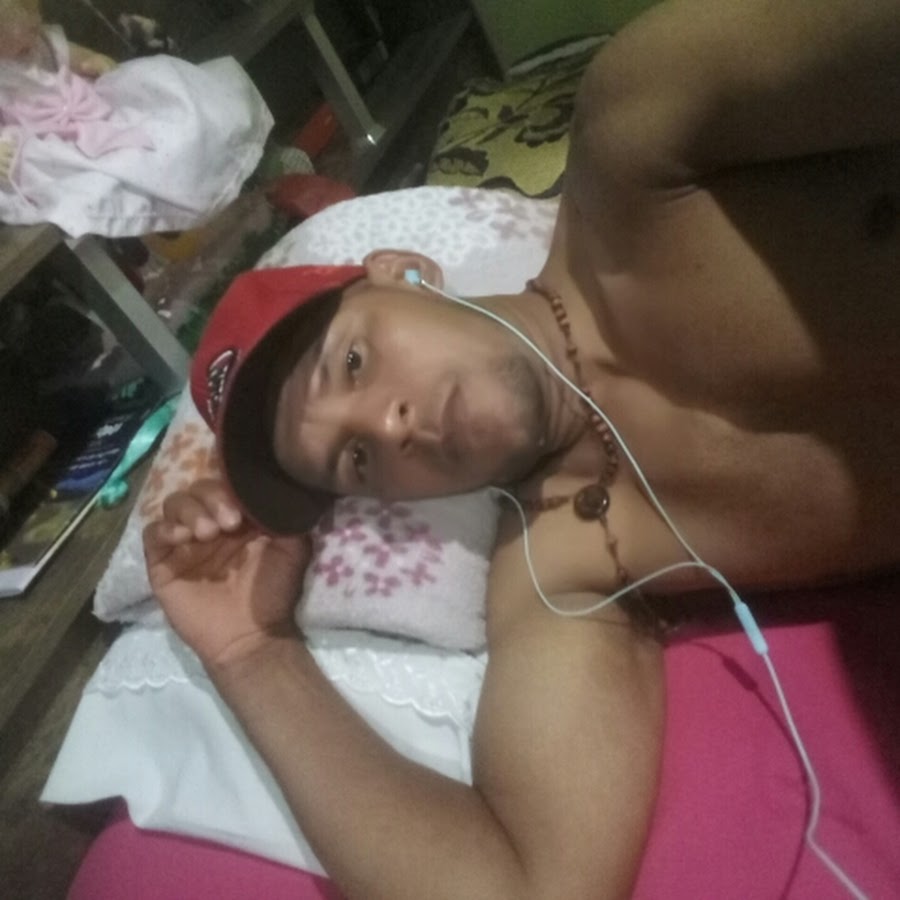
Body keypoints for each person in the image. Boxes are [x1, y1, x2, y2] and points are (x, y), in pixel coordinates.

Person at [143, 1, 900, 897]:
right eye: (356, 461)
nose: (388, 426)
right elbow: (529, 889)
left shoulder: (645, 146)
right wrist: (249, 653)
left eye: (352, 362)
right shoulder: (566, 563)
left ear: (404, 272)